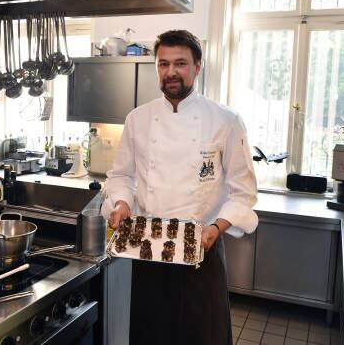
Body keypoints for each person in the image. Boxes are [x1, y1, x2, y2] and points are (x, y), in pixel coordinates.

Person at [103, 29, 258, 345]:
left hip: (201, 252)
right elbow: (121, 177)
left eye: (180, 63)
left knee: (202, 336)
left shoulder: (225, 120)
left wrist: (216, 227)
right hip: (147, 253)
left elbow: (243, 191)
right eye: (163, 64)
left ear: (198, 66)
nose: (170, 72)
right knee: (149, 335)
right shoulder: (138, 119)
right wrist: (121, 203)